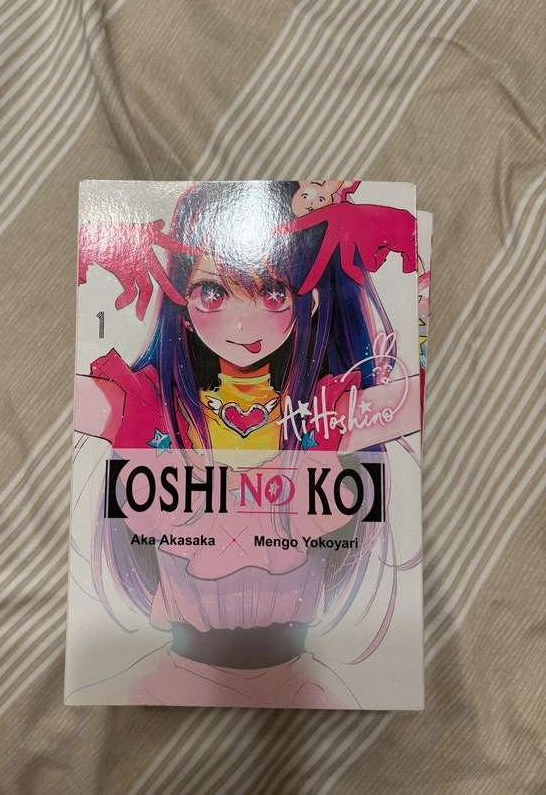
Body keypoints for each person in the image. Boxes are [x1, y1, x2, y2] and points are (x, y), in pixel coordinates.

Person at [70, 181, 420, 708]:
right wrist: (102, 245)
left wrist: (421, 302)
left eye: (273, 291)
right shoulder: (149, 410)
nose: (241, 322)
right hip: (172, 681)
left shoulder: (323, 415)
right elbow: (56, 395)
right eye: (213, 292)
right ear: (180, 301)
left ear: (309, 299)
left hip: (302, 688)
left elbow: (419, 402)